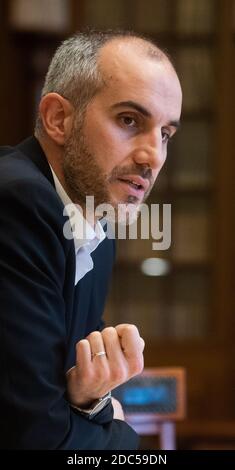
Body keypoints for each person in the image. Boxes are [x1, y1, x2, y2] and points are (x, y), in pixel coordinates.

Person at [0, 30, 182, 450]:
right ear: (59, 119)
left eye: (166, 134)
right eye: (129, 120)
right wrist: (123, 437)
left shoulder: (98, 228)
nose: (153, 156)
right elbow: (36, 434)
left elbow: (79, 391)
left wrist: (93, 402)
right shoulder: (18, 203)